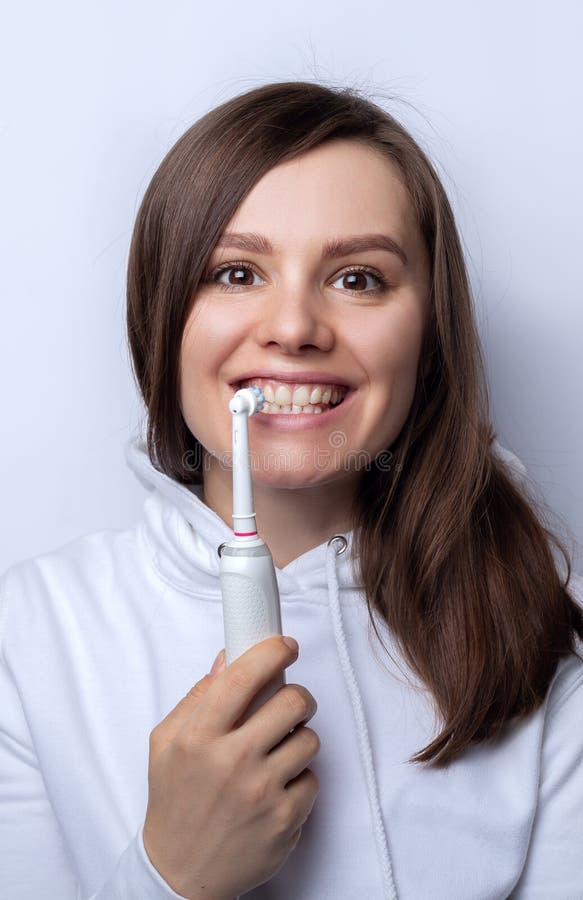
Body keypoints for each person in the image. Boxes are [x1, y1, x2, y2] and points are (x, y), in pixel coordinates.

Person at [1, 80, 582, 900]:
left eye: (357, 280)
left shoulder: (554, 631)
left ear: (430, 333)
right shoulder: (25, 638)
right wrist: (173, 877)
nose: (294, 327)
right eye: (236, 273)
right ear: (162, 316)